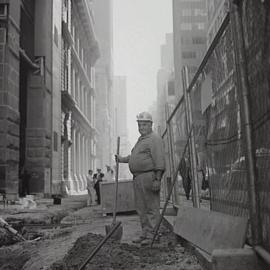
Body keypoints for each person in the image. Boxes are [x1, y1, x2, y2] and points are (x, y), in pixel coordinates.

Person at [116, 111, 165, 246]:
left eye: (144, 125)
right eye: (139, 125)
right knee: (141, 207)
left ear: (150, 125)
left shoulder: (154, 139)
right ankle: (145, 232)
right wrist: (122, 159)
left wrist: (157, 179)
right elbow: (134, 158)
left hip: (149, 176)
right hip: (138, 178)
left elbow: (159, 160)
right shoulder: (141, 140)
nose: (141, 127)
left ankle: (153, 235)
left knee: (151, 207)